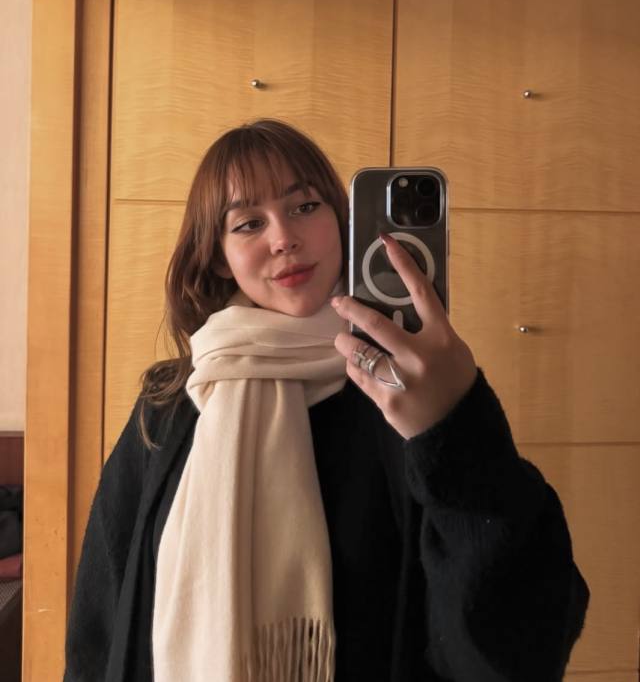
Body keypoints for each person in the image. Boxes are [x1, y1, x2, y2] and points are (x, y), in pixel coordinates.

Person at [64, 118, 589, 682]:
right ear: (219, 256)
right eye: (248, 223)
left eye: (305, 206)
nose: (283, 238)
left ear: (343, 221)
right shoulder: (170, 404)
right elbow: (101, 616)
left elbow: (517, 648)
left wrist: (453, 424)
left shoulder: (409, 390)